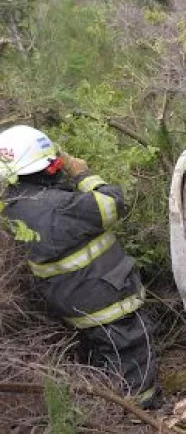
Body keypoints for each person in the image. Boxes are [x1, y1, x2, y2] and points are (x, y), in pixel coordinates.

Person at [0, 125, 158, 405]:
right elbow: (112, 203)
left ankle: (106, 399)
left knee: (103, 350)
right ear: (50, 167)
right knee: (131, 352)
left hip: (68, 298)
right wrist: (81, 173)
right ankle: (139, 411)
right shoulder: (60, 205)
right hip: (102, 294)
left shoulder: (13, 204)